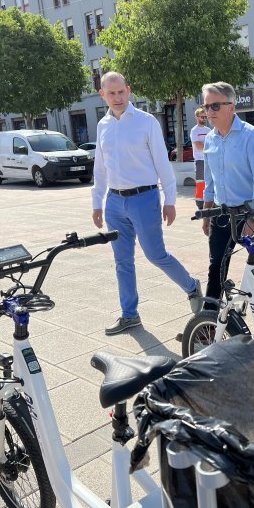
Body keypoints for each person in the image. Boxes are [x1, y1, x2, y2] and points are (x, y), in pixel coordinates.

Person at [91, 71, 203, 335]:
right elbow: (100, 167)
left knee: (155, 254)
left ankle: (191, 286)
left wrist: (170, 200)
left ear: (128, 91)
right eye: (111, 93)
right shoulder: (103, 126)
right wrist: (97, 202)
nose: (117, 98)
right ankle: (130, 315)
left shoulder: (146, 122)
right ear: (103, 94)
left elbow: (163, 163)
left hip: (145, 198)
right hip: (115, 203)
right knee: (122, 261)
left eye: (121, 92)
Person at [200, 81, 254, 324]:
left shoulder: (250, 135)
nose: (209, 112)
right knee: (216, 267)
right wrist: (207, 211)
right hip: (221, 214)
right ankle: (208, 321)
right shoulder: (210, 139)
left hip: (248, 213)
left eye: (215, 105)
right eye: (206, 106)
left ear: (231, 106)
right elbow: (210, 178)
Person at [190, 106, 210, 210]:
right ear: (197, 117)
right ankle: (200, 205)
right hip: (200, 161)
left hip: (209, 160)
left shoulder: (209, 130)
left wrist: (205, 145)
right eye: (202, 117)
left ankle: (210, 202)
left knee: (210, 182)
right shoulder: (194, 131)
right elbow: (198, 146)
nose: (204, 119)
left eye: (205, 117)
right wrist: (209, 146)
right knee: (200, 182)